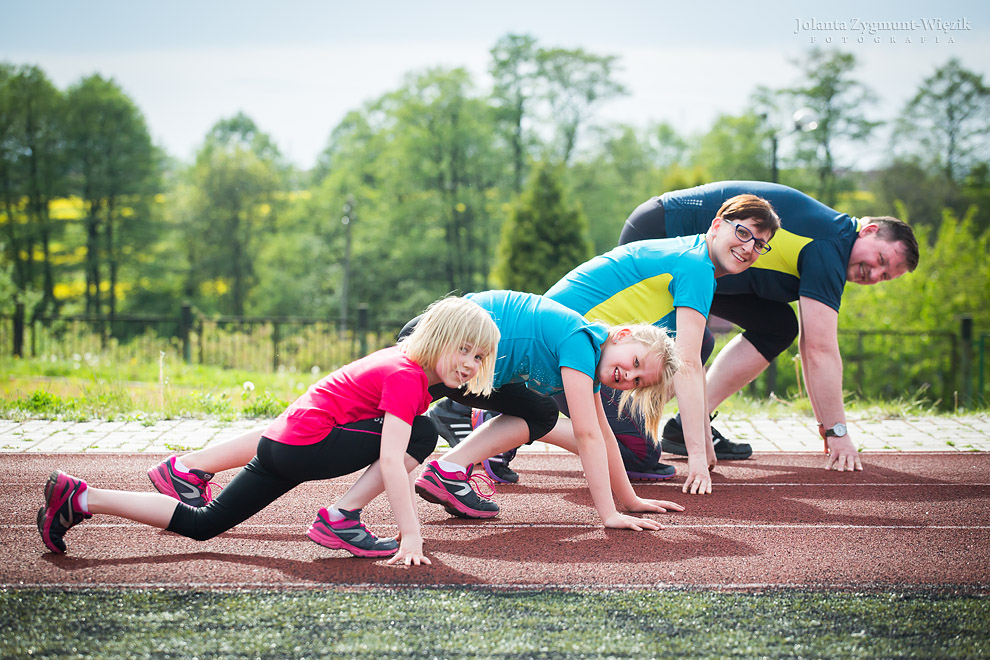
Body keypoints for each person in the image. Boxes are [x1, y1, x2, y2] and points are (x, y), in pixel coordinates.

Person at [37, 296, 501, 566]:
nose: (470, 364)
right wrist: (412, 535)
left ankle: (81, 497)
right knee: (422, 435)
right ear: (439, 337)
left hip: (282, 443)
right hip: (305, 447)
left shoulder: (397, 363)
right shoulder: (406, 376)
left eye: (479, 357)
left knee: (204, 525)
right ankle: (340, 520)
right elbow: (390, 460)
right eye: (465, 349)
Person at [619, 181, 920, 474]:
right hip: (661, 228)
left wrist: (827, 429)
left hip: (713, 267)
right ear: (868, 231)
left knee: (777, 326)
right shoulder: (833, 243)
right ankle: (614, 420)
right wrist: (838, 433)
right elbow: (819, 349)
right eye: (880, 259)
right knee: (676, 346)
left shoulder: (833, 248)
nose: (875, 273)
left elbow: (810, 344)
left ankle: (687, 425)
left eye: (885, 276)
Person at [542, 194, 780, 495]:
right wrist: (695, 458)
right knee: (640, 454)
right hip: (555, 348)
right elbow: (688, 364)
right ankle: (528, 413)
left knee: (700, 339)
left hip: (571, 344)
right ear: (718, 225)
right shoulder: (696, 266)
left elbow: (691, 356)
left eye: (760, 244)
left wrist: (704, 443)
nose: (749, 248)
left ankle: (560, 407)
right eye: (743, 233)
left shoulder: (692, 254)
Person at [411, 289, 686, 529]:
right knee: (389, 421)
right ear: (622, 336)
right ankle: (369, 504)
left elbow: (604, 436)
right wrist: (609, 515)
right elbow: (587, 437)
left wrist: (630, 501)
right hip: (440, 342)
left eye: (637, 381)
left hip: (470, 365)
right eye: (635, 362)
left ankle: (448, 470)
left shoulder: (589, 356)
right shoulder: (580, 342)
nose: (628, 376)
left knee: (541, 413)